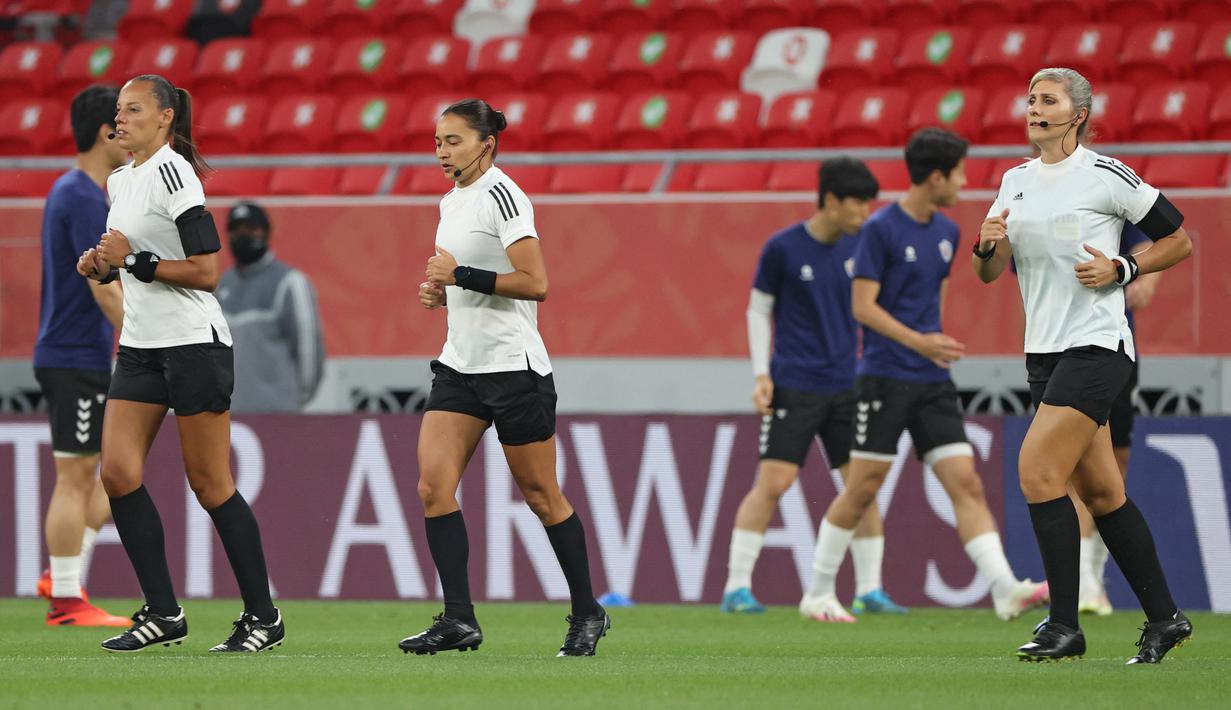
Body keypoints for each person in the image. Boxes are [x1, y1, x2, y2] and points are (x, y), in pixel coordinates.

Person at [974, 67, 1193, 663]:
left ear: (1078, 115)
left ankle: (1063, 627)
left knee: (1037, 470)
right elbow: (989, 274)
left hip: (1096, 344)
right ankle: (1167, 619)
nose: (1034, 108)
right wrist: (986, 245)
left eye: (1048, 100)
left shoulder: (1105, 174)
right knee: (1101, 491)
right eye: (1030, 100)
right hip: (1042, 351)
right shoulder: (1013, 180)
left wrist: (1124, 269)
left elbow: (1179, 239)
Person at [799, 128, 1049, 624]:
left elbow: (931, 301)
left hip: (931, 381)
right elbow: (862, 307)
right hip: (885, 378)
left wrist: (932, 340)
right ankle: (818, 593)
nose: (963, 181)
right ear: (936, 176)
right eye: (958, 172)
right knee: (863, 488)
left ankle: (1003, 589)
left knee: (966, 483)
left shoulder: (948, 232)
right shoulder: (880, 229)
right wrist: (920, 341)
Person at [78, 74, 284, 653]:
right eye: (118, 110)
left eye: (134, 108)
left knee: (211, 484)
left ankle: (263, 617)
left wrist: (134, 261)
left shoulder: (174, 172)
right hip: (142, 345)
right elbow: (134, 260)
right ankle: (164, 613)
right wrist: (102, 265)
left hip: (194, 343)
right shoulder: (120, 180)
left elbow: (205, 271)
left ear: (165, 118)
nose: (120, 118)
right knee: (117, 474)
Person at [398, 98, 609, 658]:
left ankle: (587, 612)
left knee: (542, 497)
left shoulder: (504, 195)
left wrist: (460, 273)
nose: (442, 151)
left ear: (486, 143)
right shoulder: (451, 201)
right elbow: (459, 279)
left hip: (514, 370)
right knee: (432, 487)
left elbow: (536, 282)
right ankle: (459, 619)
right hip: (460, 366)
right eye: (438, 141)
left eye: (454, 141)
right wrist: (440, 291)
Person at [722, 157, 907, 618]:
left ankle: (870, 589)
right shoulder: (782, 247)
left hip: (850, 385)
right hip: (795, 384)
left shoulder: (864, 249)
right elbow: (757, 311)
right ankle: (736, 587)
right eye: (858, 204)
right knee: (774, 483)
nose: (866, 213)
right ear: (830, 201)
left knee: (859, 487)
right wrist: (761, 375)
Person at [33, 84, 130, 628]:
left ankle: (63, 577)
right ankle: (66, 601)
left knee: (113, 473)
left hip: (77, 353)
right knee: (77, 477)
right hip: (74, 355)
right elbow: (102, 286)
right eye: (122, 124)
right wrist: (146, 340)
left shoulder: (69, 191)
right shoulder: (85, 197)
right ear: (104, 133)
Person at [1075, 222, 1160, 616]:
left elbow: (1154, 241)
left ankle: (1095, 571)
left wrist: (1146, 272)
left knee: (1115, 462)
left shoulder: (1103, 197)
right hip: (1063, 351)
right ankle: (1082, 580)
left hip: (1116, 349)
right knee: (1075, 465)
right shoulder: (1031, 201)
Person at [216, 200, 326, 413]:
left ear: (265, 232)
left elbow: (308, 347)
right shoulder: (220, 286)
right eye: (236, 230)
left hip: (277, 416)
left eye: (251, 229)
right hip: (228, 417)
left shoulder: (290, 283)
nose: (243, 236)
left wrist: (296, 400)